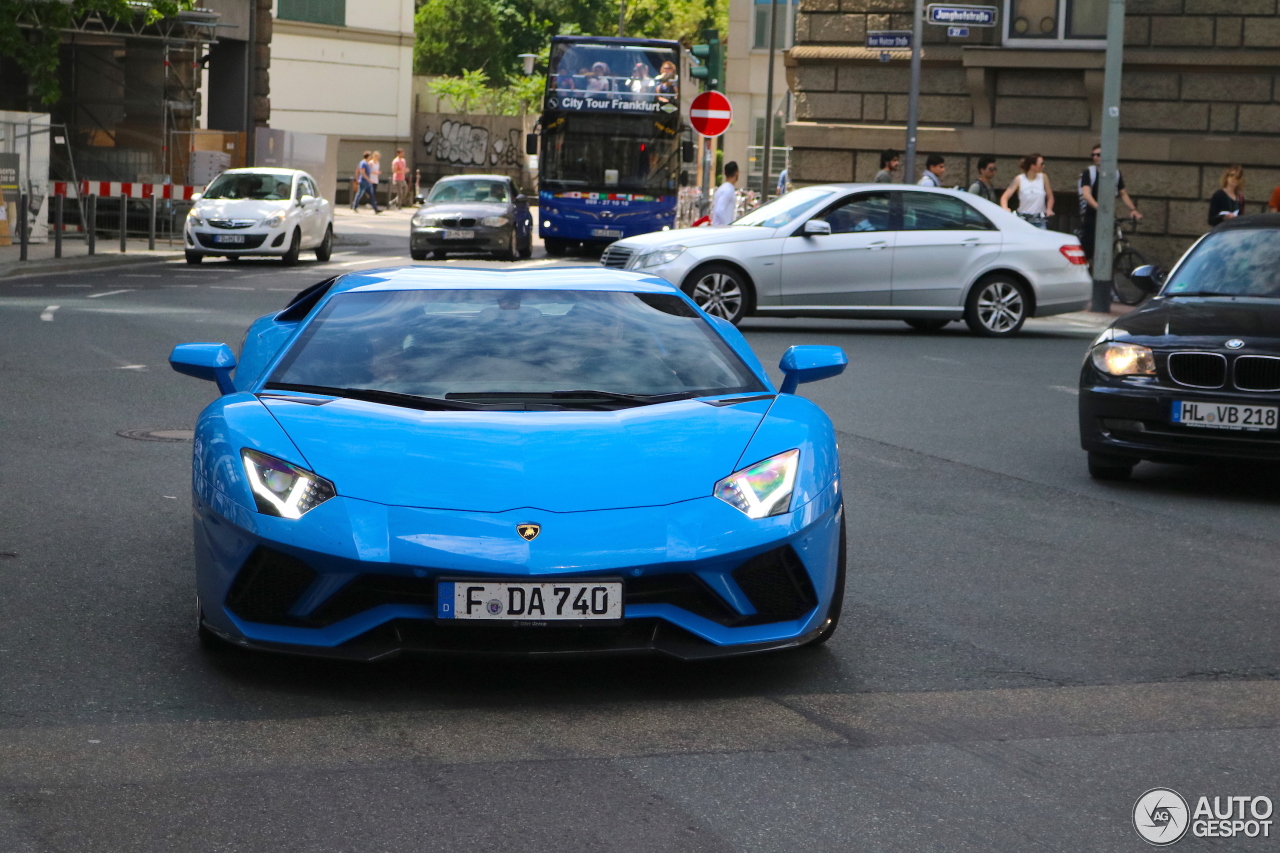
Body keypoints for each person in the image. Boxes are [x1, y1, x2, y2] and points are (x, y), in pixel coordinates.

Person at [1078, 143, 1141, 262]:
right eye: (1093, 155)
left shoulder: (1115, 173)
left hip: (1108, 213)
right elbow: (1086, 194)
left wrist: (1133, 210)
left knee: (1106, 244)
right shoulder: (1089, 172)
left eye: (1099, 154)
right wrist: (1098, 208)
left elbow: (1122, 193)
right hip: (1092, 214)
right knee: (1088, 246)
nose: (1095, 157)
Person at [1000, 153, 1053, 228]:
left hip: (1039, 219)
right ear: (1033, 166)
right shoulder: (1019, 179)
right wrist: (1005, 208)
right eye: (1041, 164)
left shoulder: (1043, 177)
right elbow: (1005, 197)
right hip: (1023, 219)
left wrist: (1049, 209)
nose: (1043, 166)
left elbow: (1050, 197)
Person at [711, 161, 740, 226]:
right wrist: (727, 224)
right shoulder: (728, 190)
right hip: (722, 229)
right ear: (737, 173)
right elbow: (719, 210)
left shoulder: (723, 188)